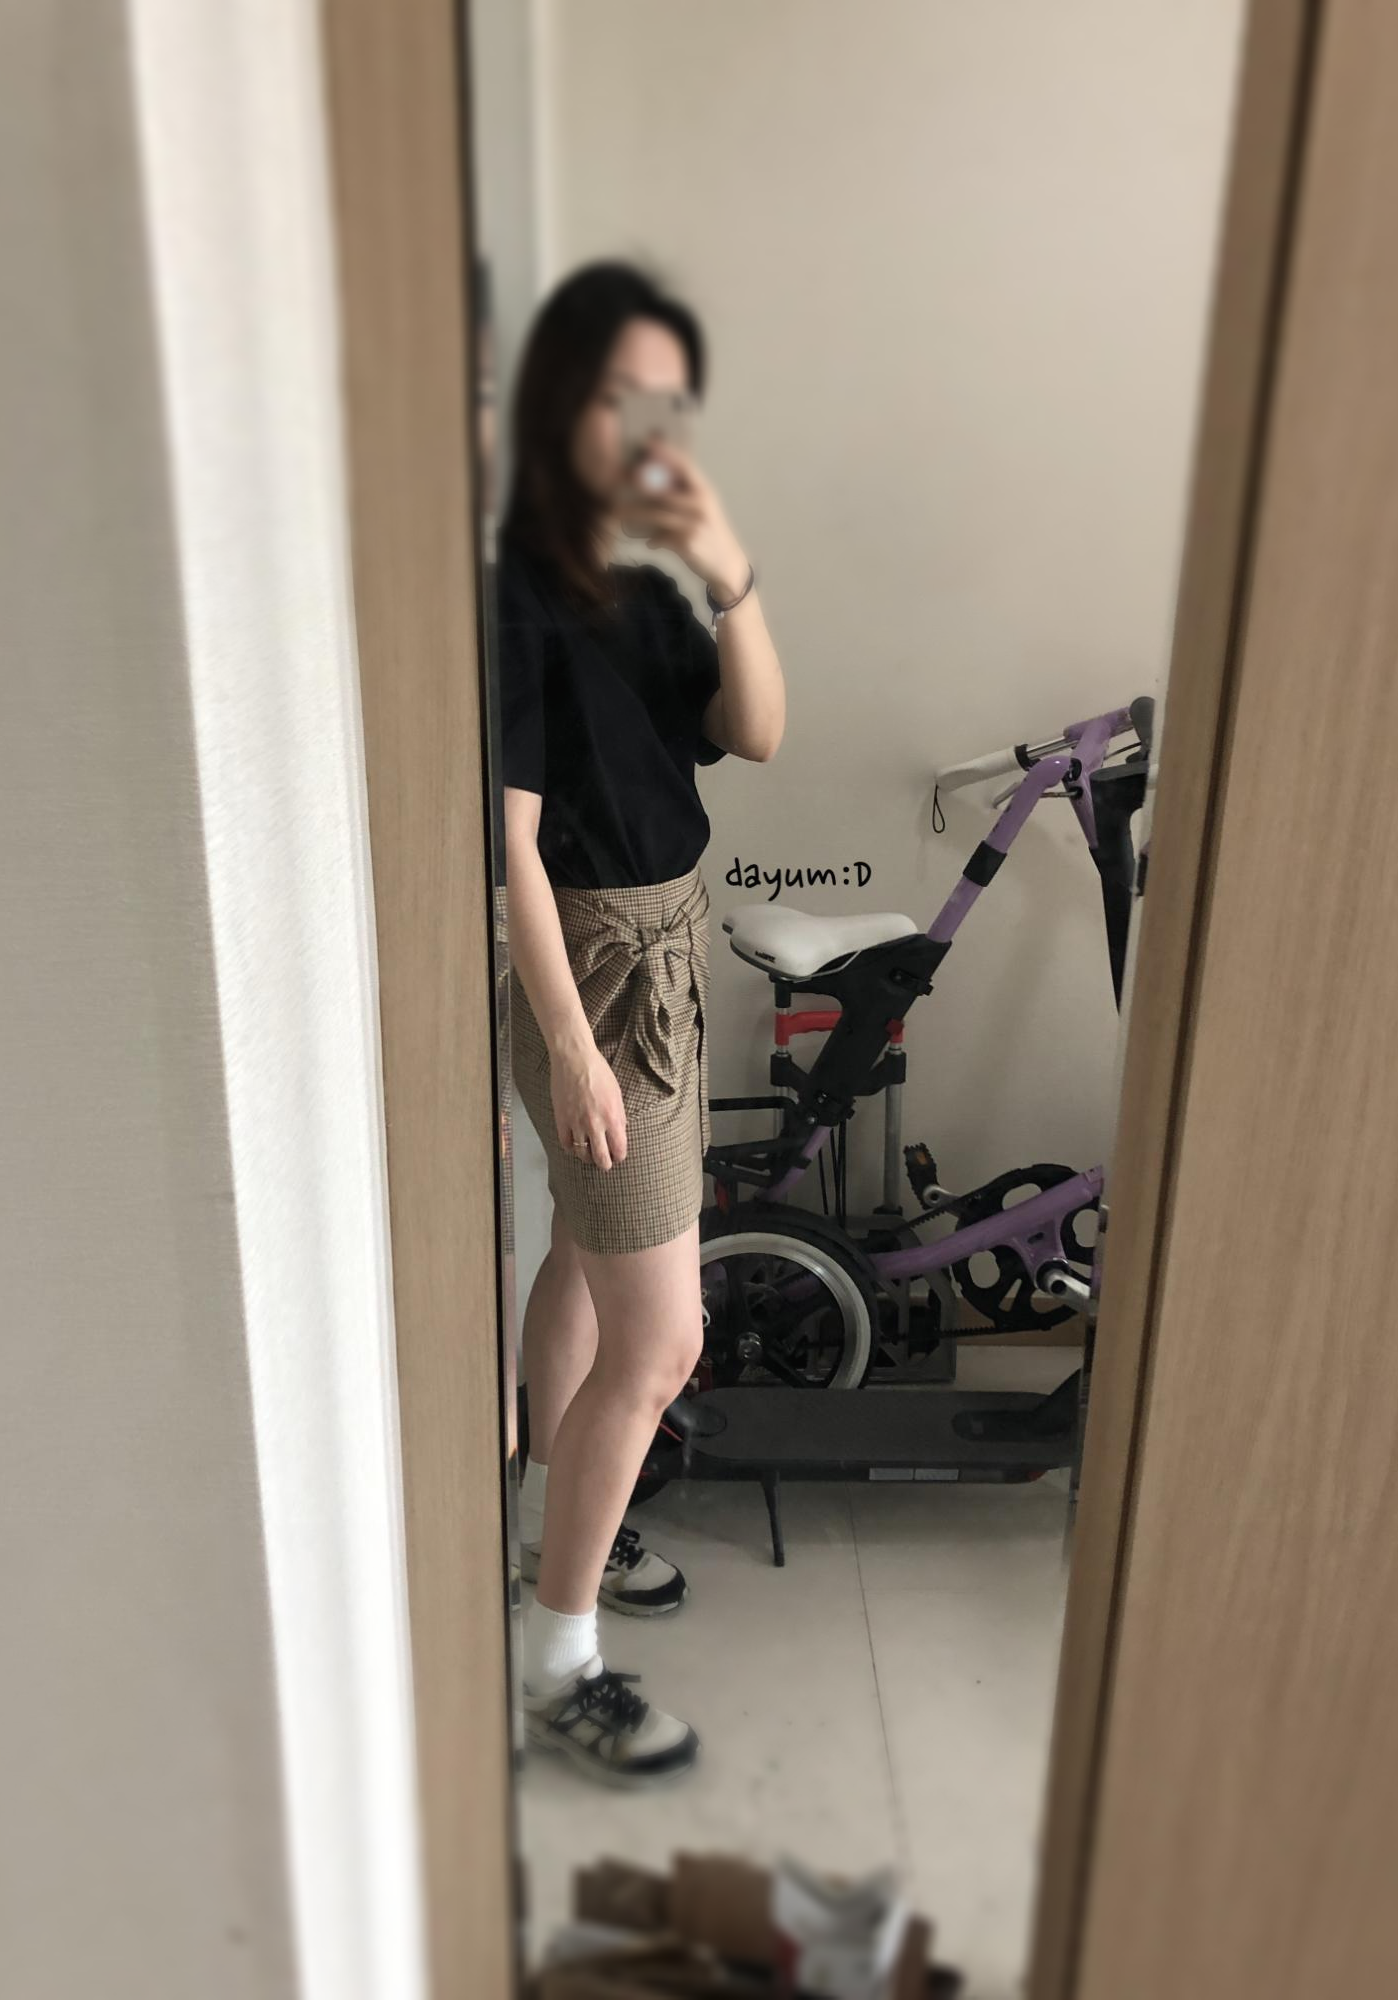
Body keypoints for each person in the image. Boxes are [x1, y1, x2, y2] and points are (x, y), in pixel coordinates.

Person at [498, 262, 785, 1786]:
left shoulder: (646, 593)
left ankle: (556, 1530)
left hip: (663, 953)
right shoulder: (511, 591)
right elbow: (508, 841)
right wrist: (568, 1044)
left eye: (666, 400)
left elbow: (757, 730)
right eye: (621, 394)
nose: (647, 426)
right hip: (598, 973)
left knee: (578, 1257)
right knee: (662, 1341)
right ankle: (558, 1668)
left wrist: (730, 571)